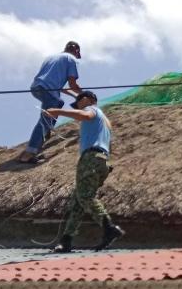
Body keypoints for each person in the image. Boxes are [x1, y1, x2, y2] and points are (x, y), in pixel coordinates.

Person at [45, 91, 125, 252]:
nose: (78, 106)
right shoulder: (105, 122)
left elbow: (85, 115)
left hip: (91, 158)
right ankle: (66, 240)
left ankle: (109, 227)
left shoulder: (93, 110)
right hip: (101, 160)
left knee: (85, 197)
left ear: (88, 100)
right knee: (78, 202)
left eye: (79, 102)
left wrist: (58, 111)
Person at [19, 41, 82, 163]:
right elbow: (72, 84)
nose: (77, 56)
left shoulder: (52, 58)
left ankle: (46, 132)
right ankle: (29, 153)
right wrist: (83, 95)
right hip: (48, 89)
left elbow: (59, 87)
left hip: (38, 87)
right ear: (75, 50)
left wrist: (75, 96)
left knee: (58, 103)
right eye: (77, 53)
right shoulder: (71, 59)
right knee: (45, 119)